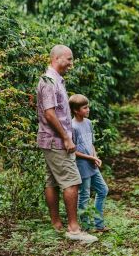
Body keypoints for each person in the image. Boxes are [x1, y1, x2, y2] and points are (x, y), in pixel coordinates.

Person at [36, 45, 97, 243]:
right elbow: (50, 113)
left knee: (52, 180)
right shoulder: (49, 81)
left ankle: (56, 223)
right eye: (69, 59)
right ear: (57, 58)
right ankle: (74, 229)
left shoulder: (54, 80)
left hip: (51, 139)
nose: (71, 64)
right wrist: (66, 137)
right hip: (56, 140)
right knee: (72, 181)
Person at [68, 93, 110, 233]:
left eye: (88, 107)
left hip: (92, 164)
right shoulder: (72, 127)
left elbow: (91, 143)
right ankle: (85, 226)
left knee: (103, 190)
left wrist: (95, 157)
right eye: (85, 108)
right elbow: (72, 150)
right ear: (76, 110)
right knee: (84, 195)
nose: (88, 110)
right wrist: (90, 158)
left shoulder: (88, 123)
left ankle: (99, 224)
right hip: (82, 166)